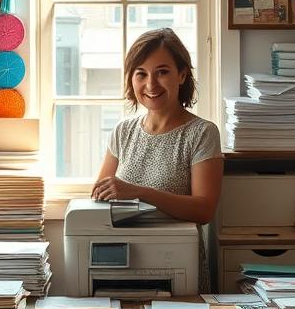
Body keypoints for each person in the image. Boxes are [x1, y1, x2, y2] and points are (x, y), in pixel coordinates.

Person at [91, 28, 224, 230]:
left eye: (162, 72)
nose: (151, 84)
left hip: (177, 253)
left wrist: (141, 193)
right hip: (122, 250)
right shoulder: (123, 131)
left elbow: (204, 210)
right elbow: (99, 197)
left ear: (181, 75)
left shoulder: (202, 133)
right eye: (141, 74)